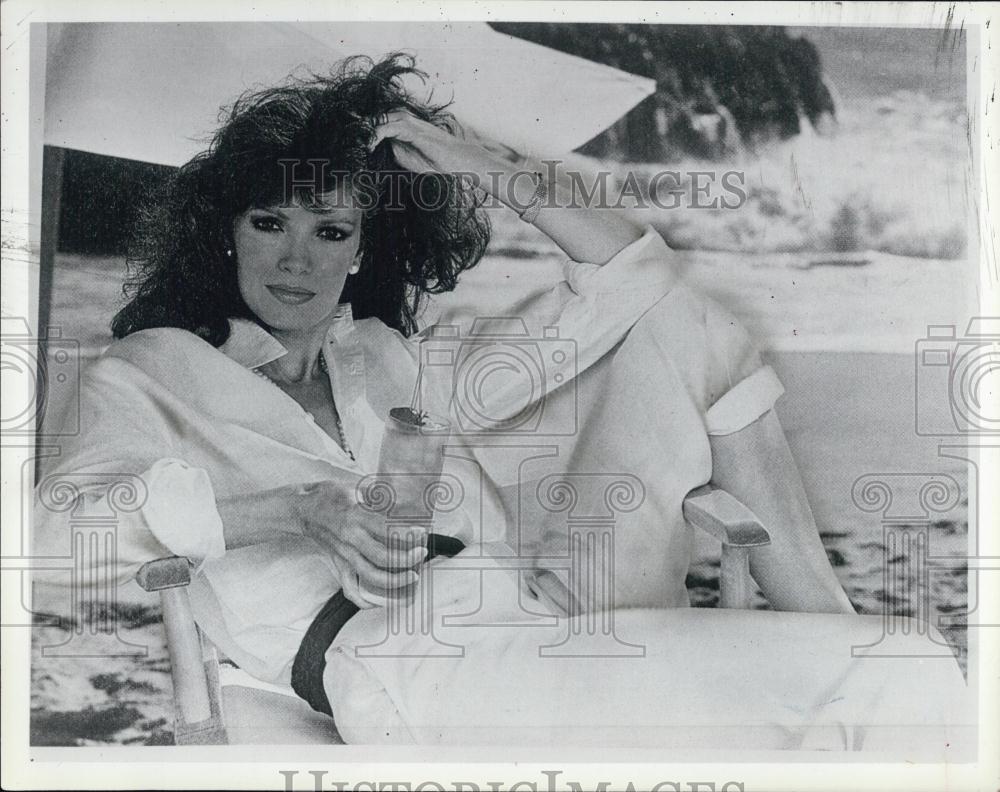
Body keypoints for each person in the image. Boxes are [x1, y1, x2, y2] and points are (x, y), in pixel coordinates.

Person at [34, 54, 965, 751]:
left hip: (539, 627)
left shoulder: (388, 360)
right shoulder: (153, 369)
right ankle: (822, 613)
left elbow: (633, 276)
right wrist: (293, 510)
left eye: (331, 230)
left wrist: (478, 159)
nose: (296, 259)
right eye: (269, 223)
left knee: (907, 673)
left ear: (363, 250)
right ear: (225, 231)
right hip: (404, 665)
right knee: (886, 689)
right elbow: (48, 532)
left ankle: (825, 620)